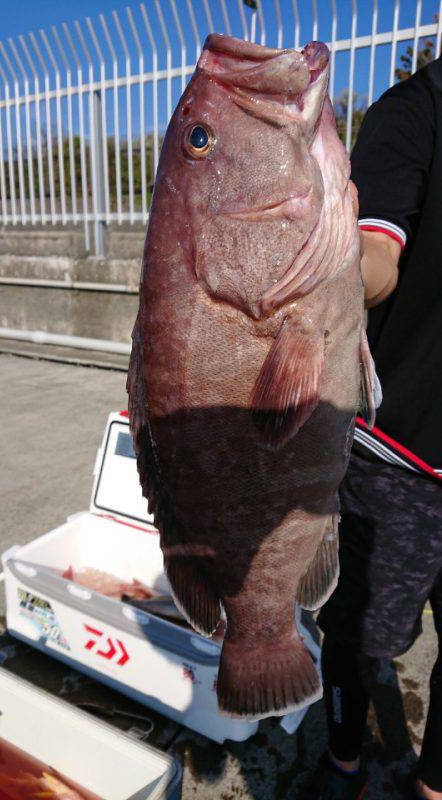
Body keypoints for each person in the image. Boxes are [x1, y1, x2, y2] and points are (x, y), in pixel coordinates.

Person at [314, 54, 442, 800]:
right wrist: (318, 263)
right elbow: (375, 258)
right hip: (399, 458)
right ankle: (343, 763)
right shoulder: (417, 109)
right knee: (357, 635)